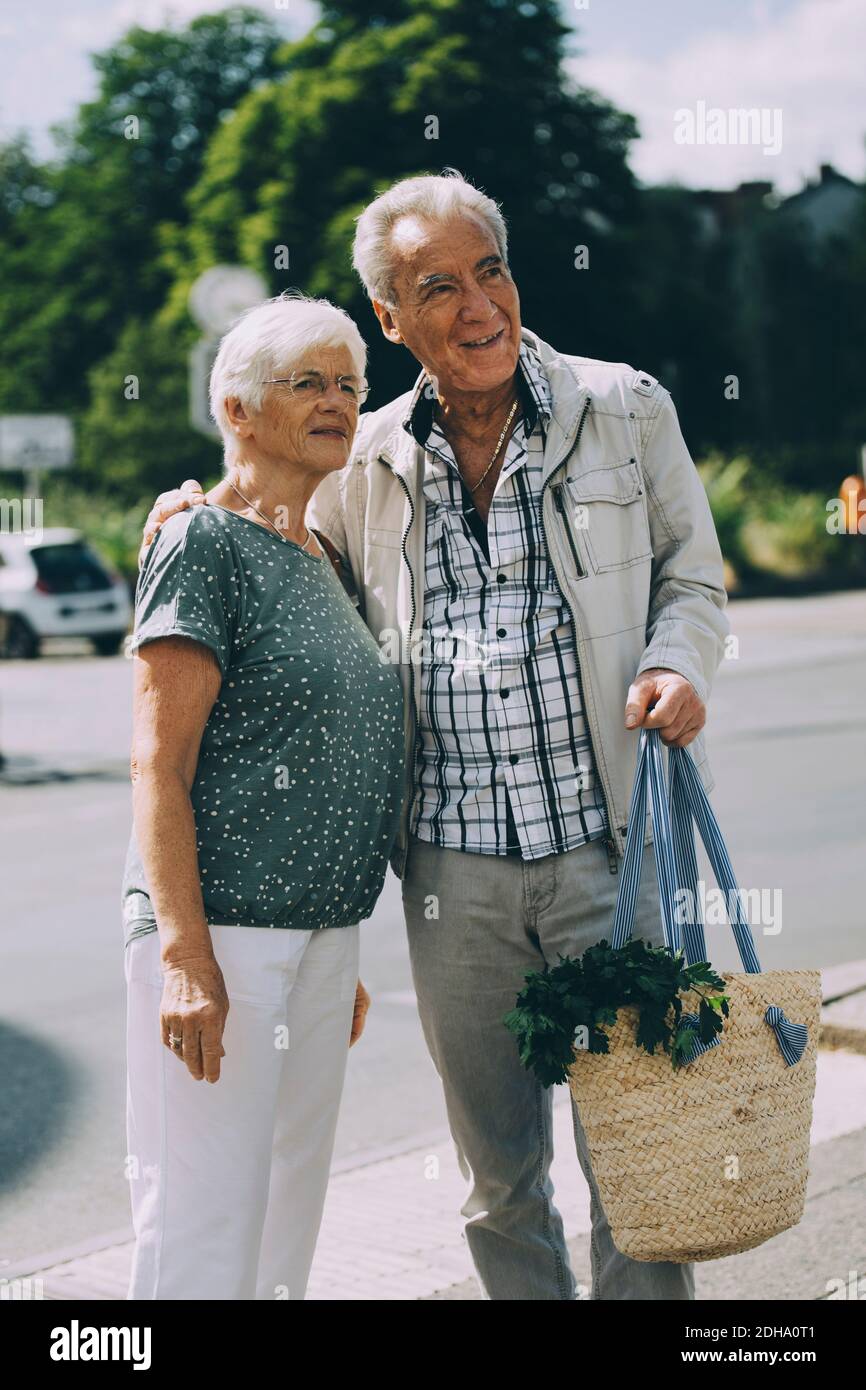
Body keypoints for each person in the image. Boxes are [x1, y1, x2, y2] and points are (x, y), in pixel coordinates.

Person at [143, 170, 729, 1301]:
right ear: (391, 318)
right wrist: (191, 509)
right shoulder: (361, 459)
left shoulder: (626, 407)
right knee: (497, 1182)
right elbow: (271, 537)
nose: (477, 308)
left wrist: (676, 660)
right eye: (436, 288)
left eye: (489, 272)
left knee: (641, 1166)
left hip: (615, 850)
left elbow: (693, 580)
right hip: (451, 880)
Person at [123, 293, 404, 1300]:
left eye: (350, 384)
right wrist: (184, 957)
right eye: (309, 384)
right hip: (223, 936)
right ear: (237, 409)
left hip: (319, 941)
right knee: (203, 1229)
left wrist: (327, 937)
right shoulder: (202, 541)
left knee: (286, 1227)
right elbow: (158, 765)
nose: (339, 402)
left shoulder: (323, 554)